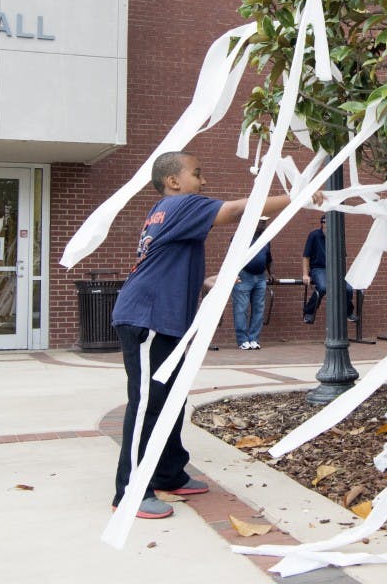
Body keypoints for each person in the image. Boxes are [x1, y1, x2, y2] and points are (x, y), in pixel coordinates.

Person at [110, 151, 301, 519]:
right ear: (173, 181)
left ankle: (168, 472)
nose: (204, 182)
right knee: (148, 403)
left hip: (162, 318)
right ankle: (131, 490)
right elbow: (237, 210)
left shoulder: (164, 211)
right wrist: (297, 197)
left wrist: (200, 282)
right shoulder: (183, 203)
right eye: (197, 174)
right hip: (148, 319)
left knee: (171, 400)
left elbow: (162, 263)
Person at [302, 215, 356, 324]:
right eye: (328, 224)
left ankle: (348, 312)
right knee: (322, 287)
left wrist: (342, 273)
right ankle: (309, 312)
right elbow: (306, 256)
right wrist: (305, 274)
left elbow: (343, 257)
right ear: (323, 224)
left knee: (348, 289)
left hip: (336, 269)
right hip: (318, 268)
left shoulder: (337, 236)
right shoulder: (314, 236)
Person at [232, 217, 273, 350]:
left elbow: (268, 258)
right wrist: (233, 273)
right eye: (262, 222)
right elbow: (231, 255)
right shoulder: (242, 236)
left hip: (260, 277)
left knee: (258, 309)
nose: (264, 225)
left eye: (265, 222)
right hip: (244, 275)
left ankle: (254, 338)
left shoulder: (266, 237)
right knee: (241, 309)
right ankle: (242, 340)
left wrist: (271, 273)